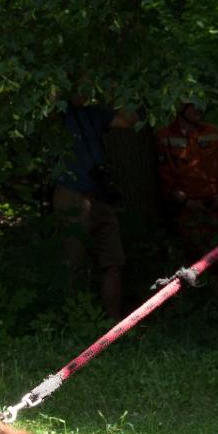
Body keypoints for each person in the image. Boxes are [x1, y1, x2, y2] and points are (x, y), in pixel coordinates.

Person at [55, 94, 136, 317]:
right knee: (74, 262)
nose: (84, 93)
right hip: (71, 193)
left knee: (114, 261)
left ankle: (112, 324)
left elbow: (127, 120)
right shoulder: (59, 112)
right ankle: (75, 323)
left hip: (99, 195)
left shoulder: (95, 113)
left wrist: (127, 88)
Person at [154, 102, 218, 286]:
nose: (199, 109)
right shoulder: (165, 136)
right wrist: (184, 201)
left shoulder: (213, 132)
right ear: (180, 107)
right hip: (188, 209)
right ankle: (197, 300)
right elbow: (164, 176)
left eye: (201, 105)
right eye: (193, 106)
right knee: (191, 257)